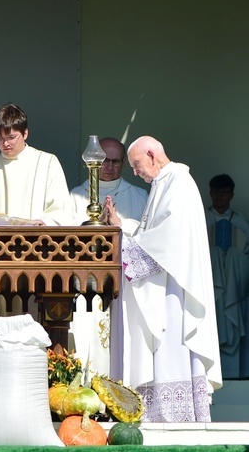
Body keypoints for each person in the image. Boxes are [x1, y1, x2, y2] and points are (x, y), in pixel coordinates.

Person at [105, 135, 221, 422]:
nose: (135, 172)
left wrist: (128, 248)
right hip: (165, 281)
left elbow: (170, 238)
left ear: (152, 155)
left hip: (175, 289)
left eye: (136, 164)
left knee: (174, 350)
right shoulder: (163, 183)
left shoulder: (178, 182)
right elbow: (153, 231)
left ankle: (178, 417)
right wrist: (123, 227)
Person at [68, 137, 148, 375]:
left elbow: (148, 238)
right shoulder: (76, 195)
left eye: (115, 161)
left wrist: (120, 225)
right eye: (104, 160)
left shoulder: (139, 196)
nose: (109, 166)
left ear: (124, 163)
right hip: (85, 284)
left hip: (125, 284)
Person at [0, 103, 74, 225]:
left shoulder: (47, 163)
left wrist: (44, 222)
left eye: (11, 137)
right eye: (0, 138)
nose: (5, 143)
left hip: (36, 240)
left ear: (25, 133)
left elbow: (61, 209)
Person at [204, 174, 249, 379]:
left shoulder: (239, 221)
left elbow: (246, 254)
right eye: (215, 192)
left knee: (234, 255)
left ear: (231, 194)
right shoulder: (202, 218)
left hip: (234, 288)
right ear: (210, 193)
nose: (219, 196)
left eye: (223, 192)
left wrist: (232, 259)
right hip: (210, 286)